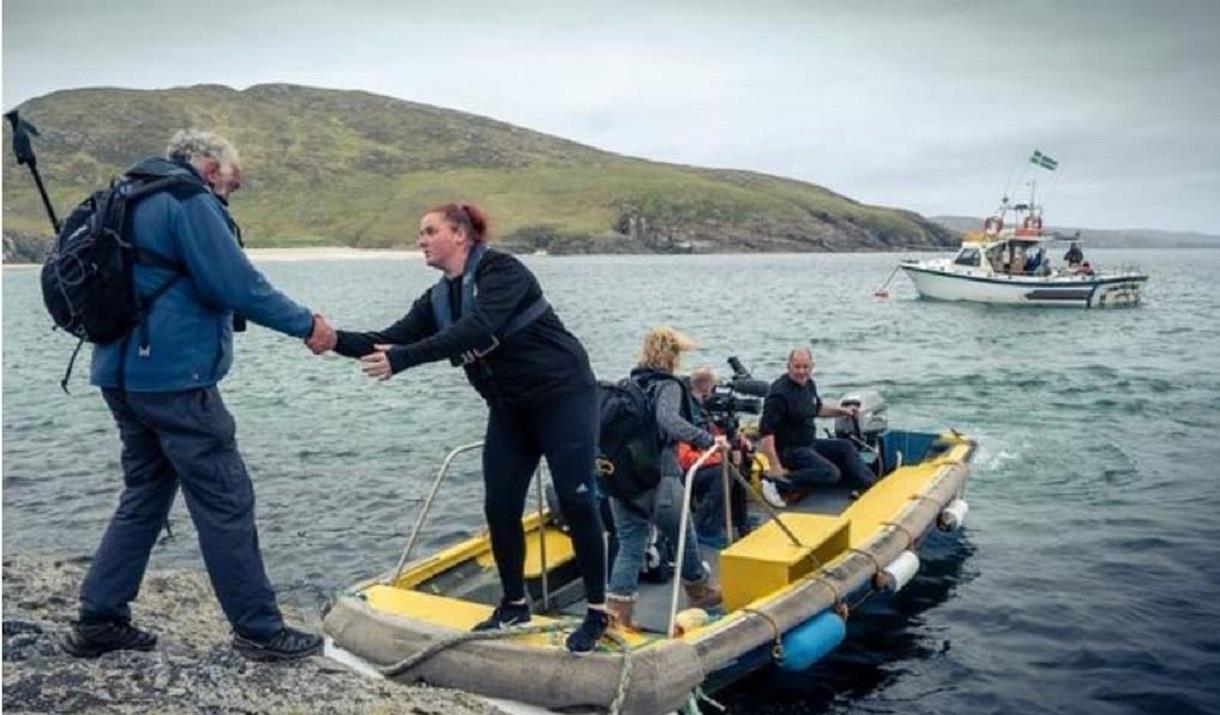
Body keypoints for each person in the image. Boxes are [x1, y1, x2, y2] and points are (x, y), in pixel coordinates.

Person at [64, 130, 333, 661]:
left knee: (144, 491)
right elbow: (236, 284)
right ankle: (258, 629)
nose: (229, 194)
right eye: (230, 183)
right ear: (210, 168)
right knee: (225, 498)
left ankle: (99, 617)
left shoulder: (124, 196)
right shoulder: (187, 201)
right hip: (174, 379)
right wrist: (308, 325)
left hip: (118, 373)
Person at [315, 202, 610, 653]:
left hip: (563, 397)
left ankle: (597, 611)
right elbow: (388, 339)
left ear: (460, 235)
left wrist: (402, 359)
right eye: (420, 233)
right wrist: (330, 338)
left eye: (429, 231)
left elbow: (478, 328)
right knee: (499, 506)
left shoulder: (503, 271)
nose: (421, 240)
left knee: (577, 499)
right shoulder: (437, 299)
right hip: (510, 410)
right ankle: (514, 604)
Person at [605, 328, 725, 629]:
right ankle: (699, 591)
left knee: (631, 543)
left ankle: (618, 614)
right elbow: (669, 422)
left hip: (623, 481)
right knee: (683, 533)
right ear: (671, 355)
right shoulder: (668, 386)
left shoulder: (628, 385)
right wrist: (706, 438)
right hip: (660, 477)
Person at [757, 348, 877, 497]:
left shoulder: (808, 384)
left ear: (812, 367)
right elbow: (766, 433)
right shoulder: (778, 394)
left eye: (805, 367)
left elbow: (817, 408)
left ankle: (871, 484)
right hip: (789, 450)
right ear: (789, 366)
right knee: (831, 473)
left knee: (845, 446)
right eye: (797, 367)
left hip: (809, 444)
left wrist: (843, 411)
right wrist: (776, 466)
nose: (801, 371)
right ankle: (775, 481)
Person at [680, 367, 749, 548]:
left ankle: (737, 517)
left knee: (741, 459)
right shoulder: (684, 414)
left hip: (703, 460)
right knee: (724, 471)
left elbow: (714, 433)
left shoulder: (705, 410)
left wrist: (737, 441)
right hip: (685, 471)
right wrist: (720, 456)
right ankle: (705, 528)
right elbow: (684, 458)